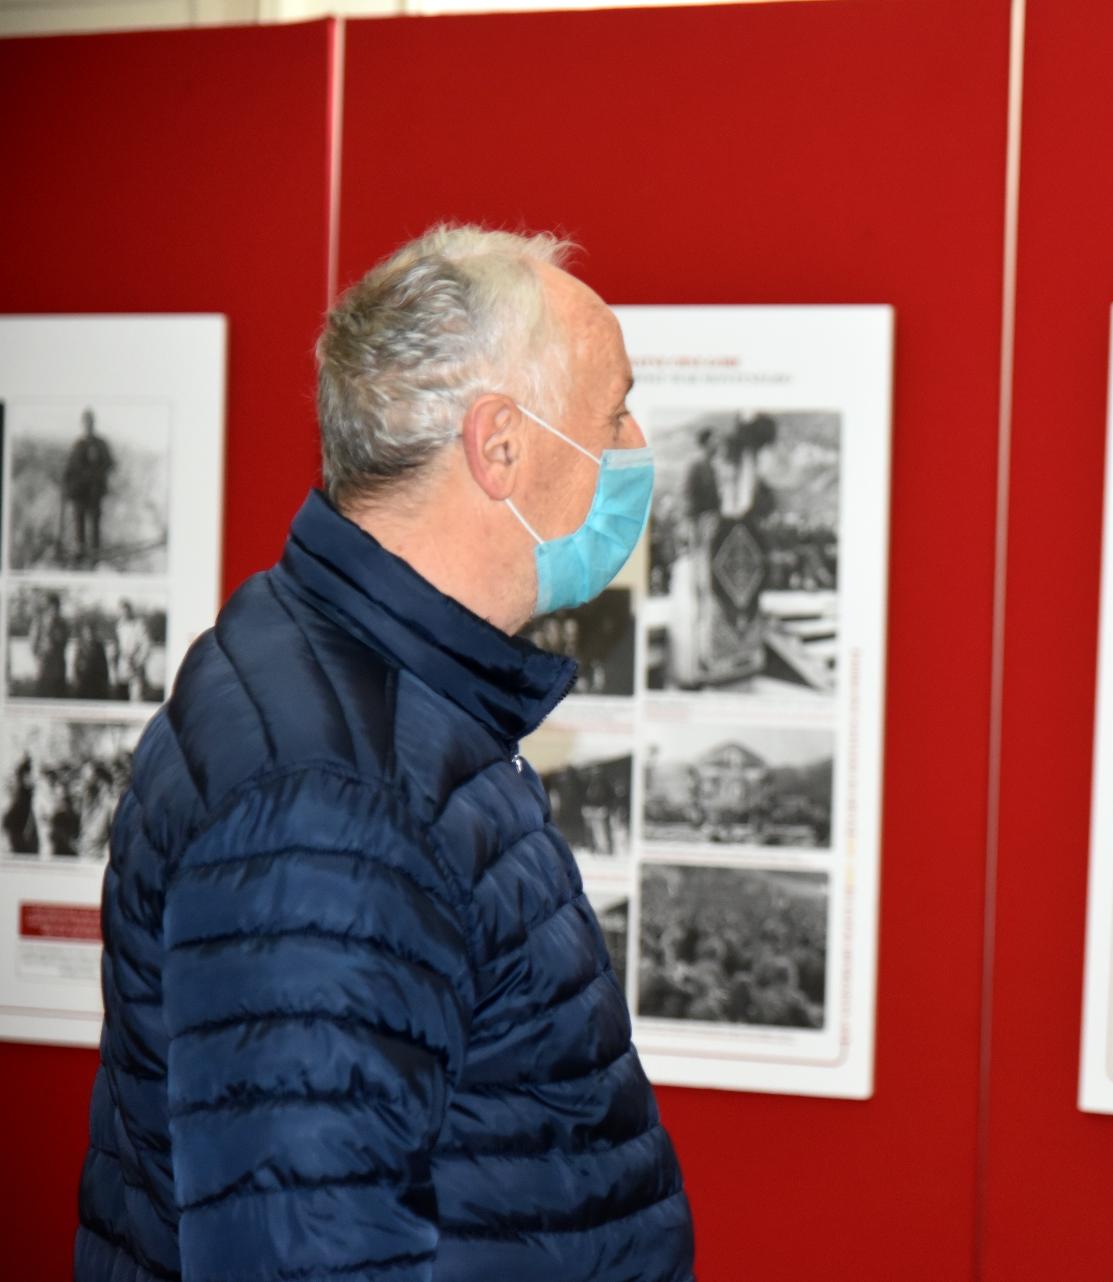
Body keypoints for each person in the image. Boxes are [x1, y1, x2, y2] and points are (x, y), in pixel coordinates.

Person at [76, 226, 694, 1281]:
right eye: (613, 413)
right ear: (500, 445)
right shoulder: (328, 796)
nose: (635, 443)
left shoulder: (392, 706)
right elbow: (303, 1252)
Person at [64, 407, 116, 563]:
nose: (88, 425)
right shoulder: (78, 444)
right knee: (79, 522)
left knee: (94, 523)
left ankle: (95, 554)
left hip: (94, 491)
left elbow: (110, 463)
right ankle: (80, 551)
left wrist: (97, 474)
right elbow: (70, 467)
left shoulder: (101, 444)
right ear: (83, 424)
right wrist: (67, 486)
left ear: (94, 423)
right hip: (79, 491)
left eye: (90, 422)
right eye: (86, 422)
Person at [29, 593, 70, 698]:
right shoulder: (39, 622)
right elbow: (33, 644)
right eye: (53, 607)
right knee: (42, 693)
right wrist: (41, 657)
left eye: (57, 607)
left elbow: (65, 642)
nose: (55, 610)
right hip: (44, 665)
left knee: (59, 694)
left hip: (59, 666)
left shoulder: (62, 623)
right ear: (48, 608)